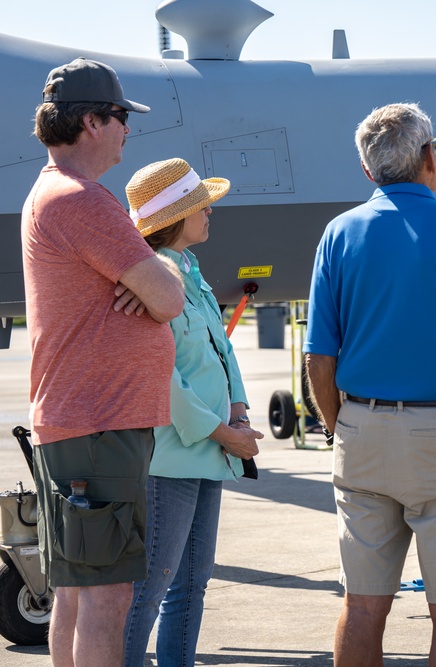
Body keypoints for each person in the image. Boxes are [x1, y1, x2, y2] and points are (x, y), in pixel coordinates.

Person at [304, 102, 436, 665]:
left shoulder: (338, 233)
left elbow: (319, 357)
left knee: (364, 603)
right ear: (428, 157)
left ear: (368, 171)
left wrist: (338, 426)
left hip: (363, 430)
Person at [20, 58, 185, 666]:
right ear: (91, 121)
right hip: (100, 425)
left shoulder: (51, 194)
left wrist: (144, 272)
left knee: (76, 590)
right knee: (108, 595)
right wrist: (155, 270)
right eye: (119, 118)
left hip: (79, 422)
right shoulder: (84, 199)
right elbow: (170, 299)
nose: (126, 130)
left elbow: (155, 291)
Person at [120, 158, 263, 666]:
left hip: (206, 454)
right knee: (149, 592)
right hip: (173, 458)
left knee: (191, 587)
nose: (209, 211)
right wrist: (225, 432)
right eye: (200, 204)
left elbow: (220, 353)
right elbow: (164, 377)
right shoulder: (157, 276)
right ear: (175, 217)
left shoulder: (189, 271)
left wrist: (240, 413)